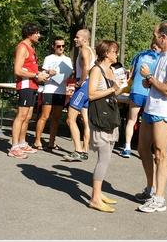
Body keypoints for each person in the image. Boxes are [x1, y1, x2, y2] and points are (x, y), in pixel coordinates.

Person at [137, 22, 167, 213]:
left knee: (160, 153)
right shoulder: (162, 56)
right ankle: (151, 189)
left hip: (163, 111)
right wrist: (149, 82)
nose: (153, 38)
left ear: (162, 37)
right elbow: (159, 84)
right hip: (150, 108)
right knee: (142, 149)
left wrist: (150, 78)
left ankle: (159, 199)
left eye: (154, 34)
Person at [88, 40, 123, 213]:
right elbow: (91, 94)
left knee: (107, 156)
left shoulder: (112, 70)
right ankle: (95, 198)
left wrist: (122, 85)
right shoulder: (96, 70)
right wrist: (111, 90)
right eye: (114, 51)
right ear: (106, 53)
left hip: (110, 116)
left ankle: (99, 193)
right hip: (100, 118)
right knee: (104, 158)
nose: (117, 53)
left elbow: (115, 92)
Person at [8, 23, 48, 159]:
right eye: (36, 32)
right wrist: (37, 76)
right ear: (29, 33)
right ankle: (14, 147)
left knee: (28, 116)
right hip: (25, 85)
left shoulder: (31, 48)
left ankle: (22, 142)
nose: (39, 35)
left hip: (32, 85)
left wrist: (43, 73)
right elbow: (17, 70)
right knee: (21, 115)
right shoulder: (22, 47)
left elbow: (30, 69)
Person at [119, 42, 161, 158]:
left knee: (131, 120)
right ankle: (148, 150)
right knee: (150, 122)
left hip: (136, 90)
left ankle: (127, 147)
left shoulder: (139, 55)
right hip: (150, 92)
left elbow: (131, 75)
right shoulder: (160, 58)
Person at [33, 37, 72, 150]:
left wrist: (67, 75)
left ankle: (51, 142)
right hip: (49, 89)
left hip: (61, 90)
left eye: (63, 46)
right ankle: (37, 141)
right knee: (45, 116)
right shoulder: (49, 58)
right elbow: (43, 73)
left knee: (56, 117)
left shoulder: (67, 60)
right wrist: (48, 72)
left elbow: (69, 74)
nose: (61, 48)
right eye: (58, 46)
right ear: (53, 47)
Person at [63, 29, 96, 161]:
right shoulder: (92, 50)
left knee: (70, 119)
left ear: (85, 39)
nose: (74, 39)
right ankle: (84, 151)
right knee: (85, 121)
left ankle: (77, 150)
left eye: (77, 37)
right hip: (89, 86)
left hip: (83, 87)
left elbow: (87, 68)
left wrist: (80, 82)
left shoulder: (84, 51)